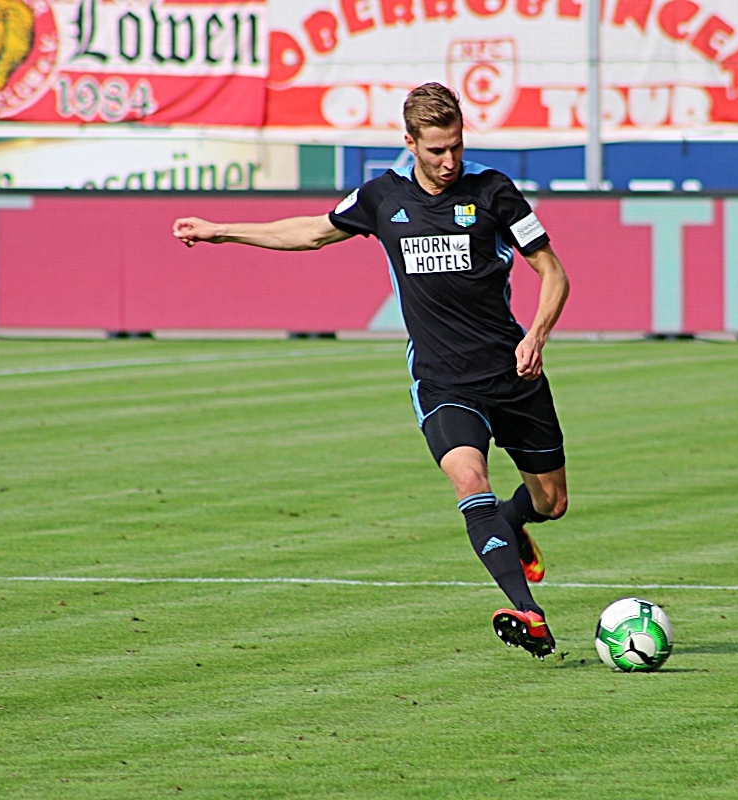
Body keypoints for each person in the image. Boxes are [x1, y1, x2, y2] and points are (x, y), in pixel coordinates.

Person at [173, 83, 570, 660]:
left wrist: (536, 335)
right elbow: (310, 232)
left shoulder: (494, 192)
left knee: (552, 501)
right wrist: (223, 230)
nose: (449, 161)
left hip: (512, 374)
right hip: (442, 380)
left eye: (456, 146)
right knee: (468, 481)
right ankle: (528, 612)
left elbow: (553, 273)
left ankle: (509, 524)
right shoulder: (383, 197)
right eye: (436, 150)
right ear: (409, 143)